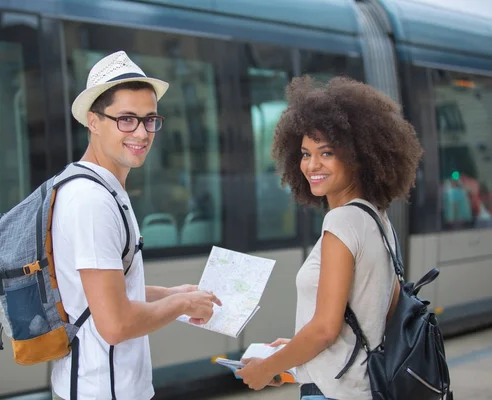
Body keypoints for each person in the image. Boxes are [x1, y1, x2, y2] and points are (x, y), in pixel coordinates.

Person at [236, 76, 423, 399]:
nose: (312, 165)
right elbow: (373, 321)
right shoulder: (376, 219)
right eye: (306, 153)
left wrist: (266, 368)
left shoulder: (342, 222)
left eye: (326, 153)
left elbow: (325, 329)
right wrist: (292, 356)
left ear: (358, 155)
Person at [50, 51, 221, 400]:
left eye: (149, 120)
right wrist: (183, 306)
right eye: (126, 119)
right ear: (93, 122)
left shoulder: (100, 188)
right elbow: (115, 325)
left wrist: (174, 293)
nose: (142, 133)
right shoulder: (92, 201)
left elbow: (103, 296)